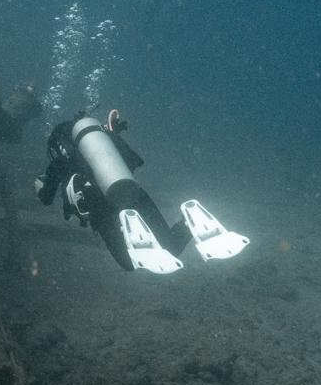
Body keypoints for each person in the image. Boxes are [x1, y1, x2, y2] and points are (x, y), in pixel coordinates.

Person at [33, 109, 248, 274]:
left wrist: (41, 186)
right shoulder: (108, 143)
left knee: (129, 264)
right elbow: (135, 162)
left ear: (59, 144)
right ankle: (191, 220)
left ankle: (132, 226)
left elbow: (46, 199)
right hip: (131, 192)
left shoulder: (60, 163)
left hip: (102, 208)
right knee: (170, 249)